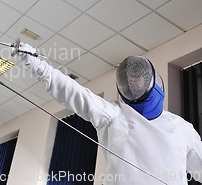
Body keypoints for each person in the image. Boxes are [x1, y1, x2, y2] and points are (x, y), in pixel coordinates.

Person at [17, 43, 202, 184]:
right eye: (131, 81)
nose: (134, 84)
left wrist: (36, 63)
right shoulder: (114, 115)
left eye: (138, 81)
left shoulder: (181, 128)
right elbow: (74, 93)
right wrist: (36, 63)